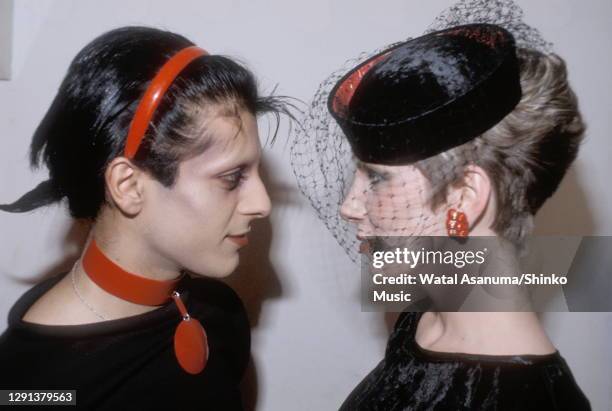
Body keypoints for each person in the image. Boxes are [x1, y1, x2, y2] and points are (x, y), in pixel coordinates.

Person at [291, 2, 591, 410]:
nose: (349, 206)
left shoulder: (523, 400)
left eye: (377, 177)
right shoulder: (421, 324)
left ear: (464, 196)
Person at [0, 26, 288, 410]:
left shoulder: (220, 314)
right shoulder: (31, 384)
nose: (262, 203)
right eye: (232, 177)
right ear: (128, 185)